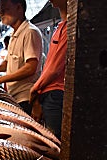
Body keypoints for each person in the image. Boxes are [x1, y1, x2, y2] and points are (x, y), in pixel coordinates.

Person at [0, 0, 43, 115]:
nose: (1, 14)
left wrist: (0, 80)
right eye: (0, 11)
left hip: (25, 97)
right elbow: (6, 64)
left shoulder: (30, 32)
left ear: (19, 8)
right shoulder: (13, 35)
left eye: (5, 10)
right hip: (14, 97)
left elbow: (30, 68)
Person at [30, 0, 67, 139]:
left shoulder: (69, 28)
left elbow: (54, 69)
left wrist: (35, 89)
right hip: (47, 93)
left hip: (55, 94)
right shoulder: (60, 27)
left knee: (54, 144)